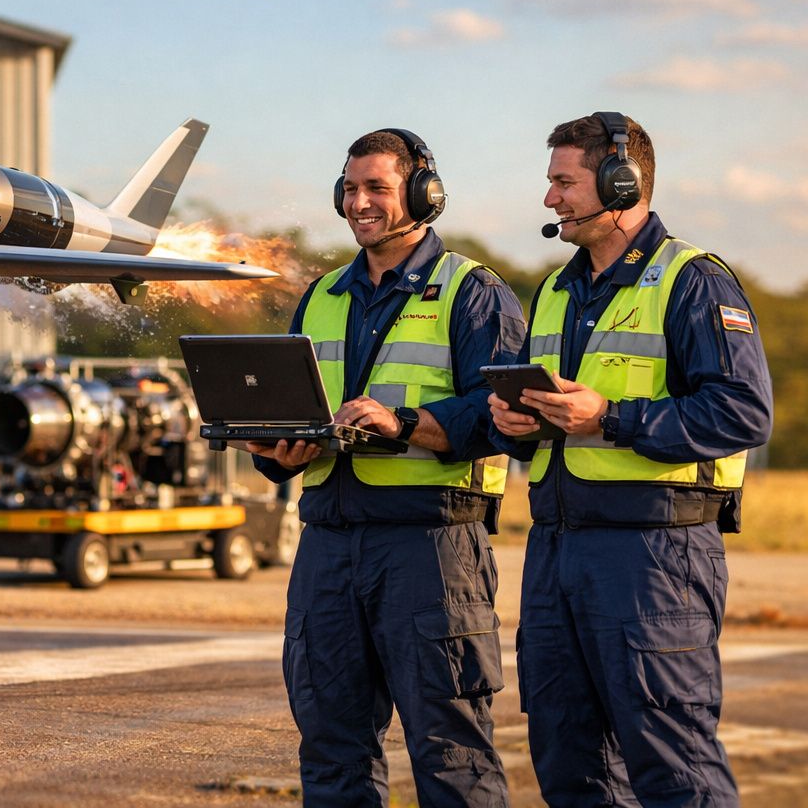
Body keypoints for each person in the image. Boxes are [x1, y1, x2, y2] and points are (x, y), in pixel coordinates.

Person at [489, 112, 772, 806]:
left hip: (654, 558)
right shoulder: (555, 289)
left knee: (673, 768)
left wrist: (610, 419)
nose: (550, 199)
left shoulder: (694, 281)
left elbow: (744, 412)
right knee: (568, 762)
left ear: (622, 182)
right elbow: (554, 420)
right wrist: (515, 424)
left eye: (564, 182)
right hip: (556, 552)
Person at [245, 129, 523, 806]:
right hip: (329, 551)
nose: (358, 201)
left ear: (424, 194)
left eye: (377, 187)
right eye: (349, 187)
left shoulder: (472, 292)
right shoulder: (323, 296)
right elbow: (296, 405)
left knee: (452, 755)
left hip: (430, 549)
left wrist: (404, 425)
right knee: (331, 750)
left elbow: (505, 415)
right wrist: (277, 450)